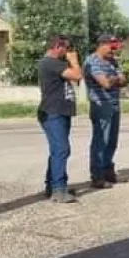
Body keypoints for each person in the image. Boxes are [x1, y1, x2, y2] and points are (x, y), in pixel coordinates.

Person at [37, 35, 82, 203]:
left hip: (59, 111)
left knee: (58, 150)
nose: (68, 51)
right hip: (53, 112)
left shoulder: (53, 63)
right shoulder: (50, 63)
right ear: (57, 46)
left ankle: (53, 185)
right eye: (66, 48)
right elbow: (77, 75)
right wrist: (74, 60)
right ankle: (58, 189)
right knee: (62, 149)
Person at [83, 34, 127, 188]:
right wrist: (114, 79)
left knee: (112, 141)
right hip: (101, 105)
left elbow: (123, 80)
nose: (113, 51)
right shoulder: (92, 61)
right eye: (111, 47)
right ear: (102, 44)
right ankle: (97, 176)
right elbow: (106, 83)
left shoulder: (112, 61)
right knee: (101, 141)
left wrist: (113, 79)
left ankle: (108, 171)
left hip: (114, 104)